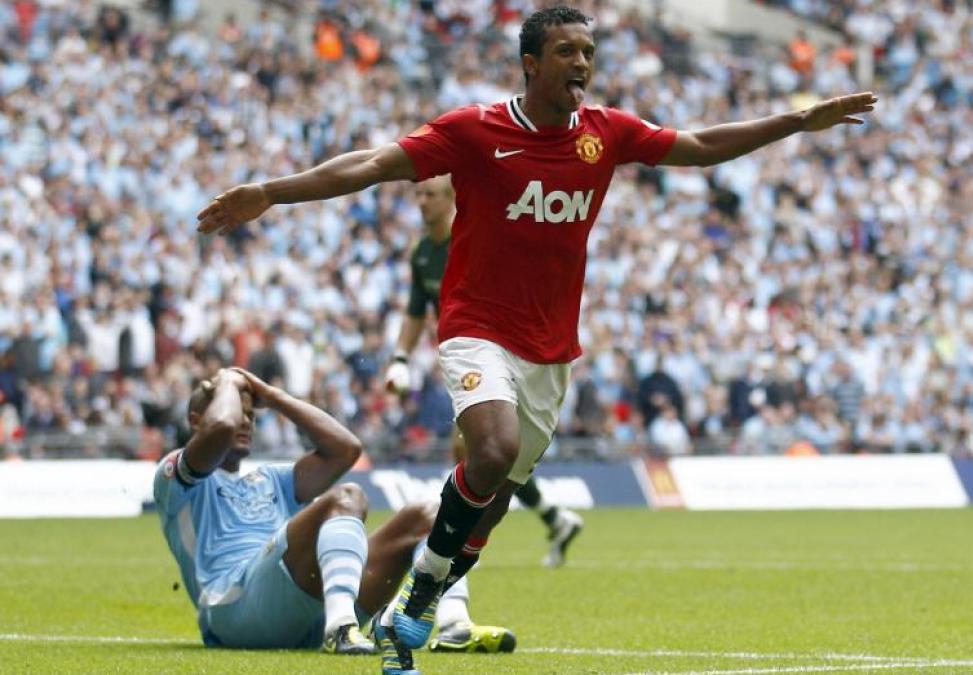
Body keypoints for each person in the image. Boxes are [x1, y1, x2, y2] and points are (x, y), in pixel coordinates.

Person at [196, 6, 875, 672]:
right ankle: (426, 595)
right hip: (476, 329)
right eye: (566, 52)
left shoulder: (604, 133)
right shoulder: (474, 131)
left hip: (550, 352)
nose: (582, 63)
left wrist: (797, 120)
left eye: (587, 51)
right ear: (530, 64)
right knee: (492, 449)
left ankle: (422, 598)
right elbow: (374, 164)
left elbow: (697, 148)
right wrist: (272, 191)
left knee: (488, 502)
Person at [152, 367, 511, 666]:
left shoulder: (271, 478)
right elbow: (222, 427)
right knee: (347, 498)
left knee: (430, 515)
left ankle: (453, 625)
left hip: (303, 610)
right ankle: (340, 627)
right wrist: (229, 381)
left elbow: (346, 449)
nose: (244, 421)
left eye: (251, 414)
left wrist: (273, 396)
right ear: (196, 421)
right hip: (233, 609)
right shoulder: (176, 478)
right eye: (237, 409)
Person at [385, 173, 585, 571]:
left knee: (482, 451)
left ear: (452, 199)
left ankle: (456, 547)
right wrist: (400, 359)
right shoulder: (422, 251)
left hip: (498, 352)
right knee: (486, 453)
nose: (422, 202)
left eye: (431, 194)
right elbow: (415, 312)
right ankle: (549, 519)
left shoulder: (475, 239)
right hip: (460, 355)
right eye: (418, 194)